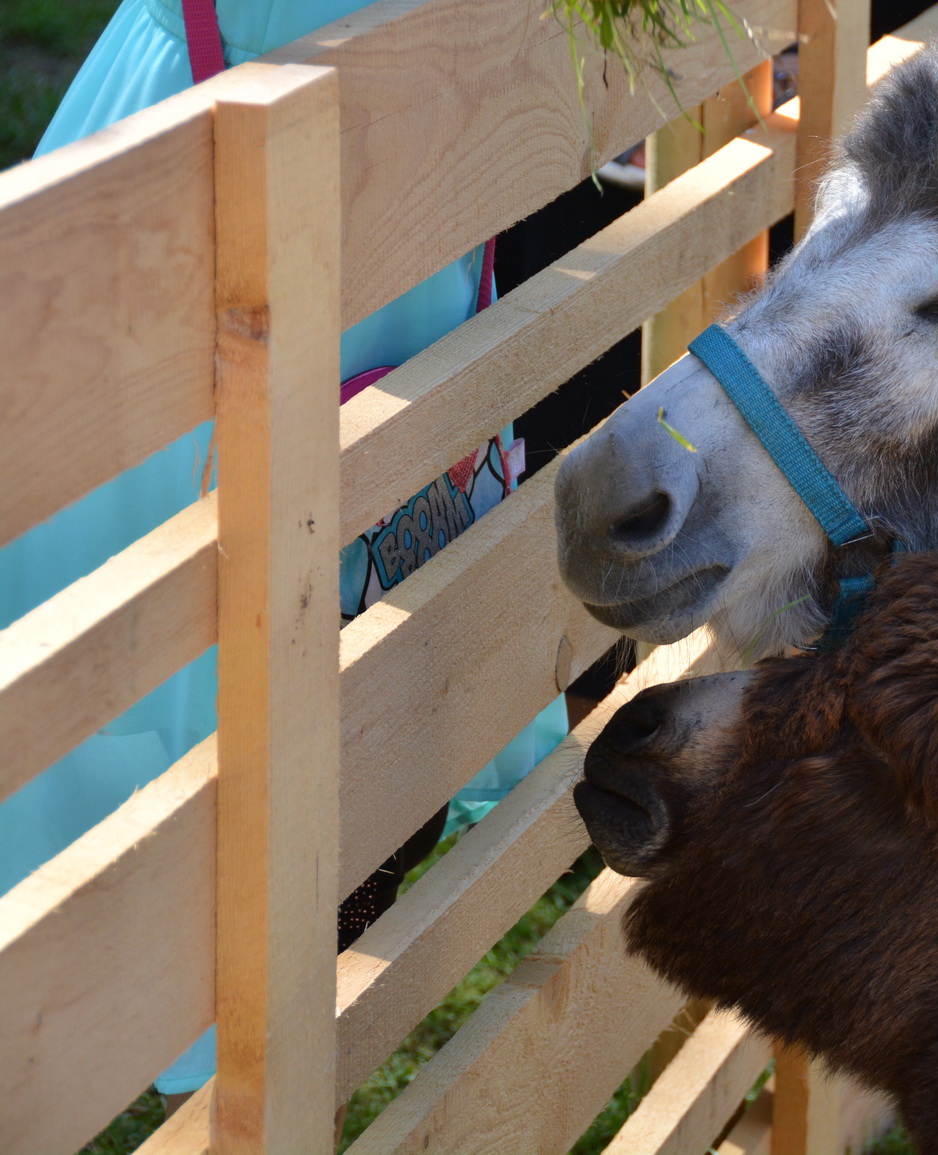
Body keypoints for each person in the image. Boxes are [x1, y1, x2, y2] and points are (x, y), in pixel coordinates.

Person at [0, 0, 568, 1101]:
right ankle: (143, 955)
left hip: (404, 101)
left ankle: (278, 927)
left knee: (354, 527)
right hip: (233, 110)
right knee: (167, 570)